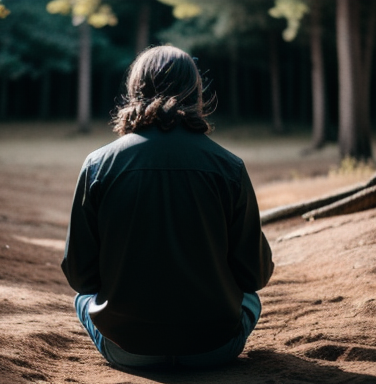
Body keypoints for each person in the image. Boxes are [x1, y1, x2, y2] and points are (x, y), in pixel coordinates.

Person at [62, 45, 273, 370]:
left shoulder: (97, 166)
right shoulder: (230, 167)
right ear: (196, 93)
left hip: (126, 348)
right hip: (213, 348)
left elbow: (80, 278)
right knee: (251, 300)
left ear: (135, 91)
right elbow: (254, 274)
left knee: (81, 300)